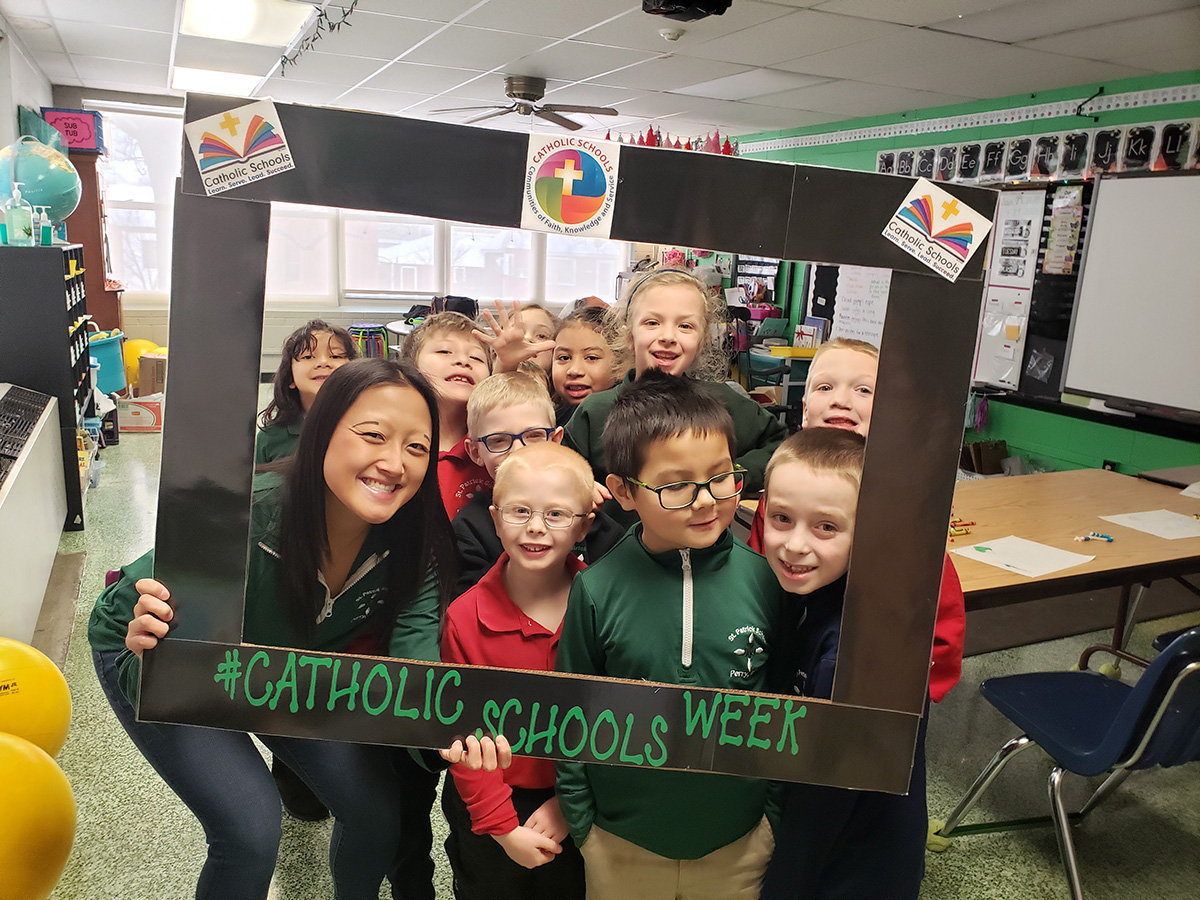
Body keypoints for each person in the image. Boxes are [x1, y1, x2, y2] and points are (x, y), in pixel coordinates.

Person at [88, 358, 506, 900]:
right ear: (322, 433)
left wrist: (447, 731)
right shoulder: (239, 518)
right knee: (250, 829)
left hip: (287, 667)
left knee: (377, 816)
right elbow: (151, 662)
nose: (393, 462)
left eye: (417, 447)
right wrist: (148, 653)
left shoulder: (416, 544)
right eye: (373, 435)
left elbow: (414, 666)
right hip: (159, 658)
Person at [555, 371, 782, 900]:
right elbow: (571, 710)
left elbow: (783, 706)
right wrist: (584, 825)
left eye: (722, 477)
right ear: (624, 492)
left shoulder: (767, 580)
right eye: (677, 484)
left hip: (739, 841)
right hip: (619, 841)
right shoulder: (595, 589)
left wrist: (771, 818)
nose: (706, 500)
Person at [757, 428, 929, 900]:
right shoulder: (810, 592)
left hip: (852, 865)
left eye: (825, 527)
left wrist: (782, 888)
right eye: (782, 518)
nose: (794, 545)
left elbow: (823, 805)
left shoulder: (854, 659)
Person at [746, 336, 965, 704]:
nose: (841, 399)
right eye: (825, 386)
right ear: (804, 406)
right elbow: (759, 588)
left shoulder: (906, 523)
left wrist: (903, 690)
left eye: (863, 389)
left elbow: (940, 628)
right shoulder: (779, 491)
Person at [441, 442, 595, 900]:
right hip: (490, 803)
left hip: (581, 796)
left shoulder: (605, 606)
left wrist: (570, 807)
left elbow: (618, 721)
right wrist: (503, 829)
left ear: (584, 524)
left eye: (556, 515)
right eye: (520, 511)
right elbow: (461, 737)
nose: (535, 528)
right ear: (494, 518)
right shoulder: (465, 618)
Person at [563, 268, 787, 525]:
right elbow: (557, 465)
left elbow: (780, 445)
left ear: (701, 341)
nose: (668, 336)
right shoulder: (596, 411)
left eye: (685, 326)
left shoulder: (720, 402)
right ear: (629, 335)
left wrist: (733, 476)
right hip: (615, 556)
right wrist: (577, 484)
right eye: (652, 323)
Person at [452, 372, 622, 596]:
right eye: (499, 440)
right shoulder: (469, 528)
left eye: (533, 436)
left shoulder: (588, 517)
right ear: (475, 452)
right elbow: (469, 605)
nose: (518, 451)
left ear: (556, 440)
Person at [401, 311, 494, 519]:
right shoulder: (396, 448)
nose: (463, 361)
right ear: (411, 366)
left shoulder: (496, 447)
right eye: (444, 351)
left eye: (476, 357)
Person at [255, 319, 358, 465]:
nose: (323, 362)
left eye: (335, 356)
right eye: (308, 357)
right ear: (290, 378)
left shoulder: (369, 429)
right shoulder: (270, 438)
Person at [550, 306, 616, 427]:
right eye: (564, 358)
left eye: (591, 358)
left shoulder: (625, 420)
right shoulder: (552, 419)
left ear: (619, 363)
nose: (574, 371)